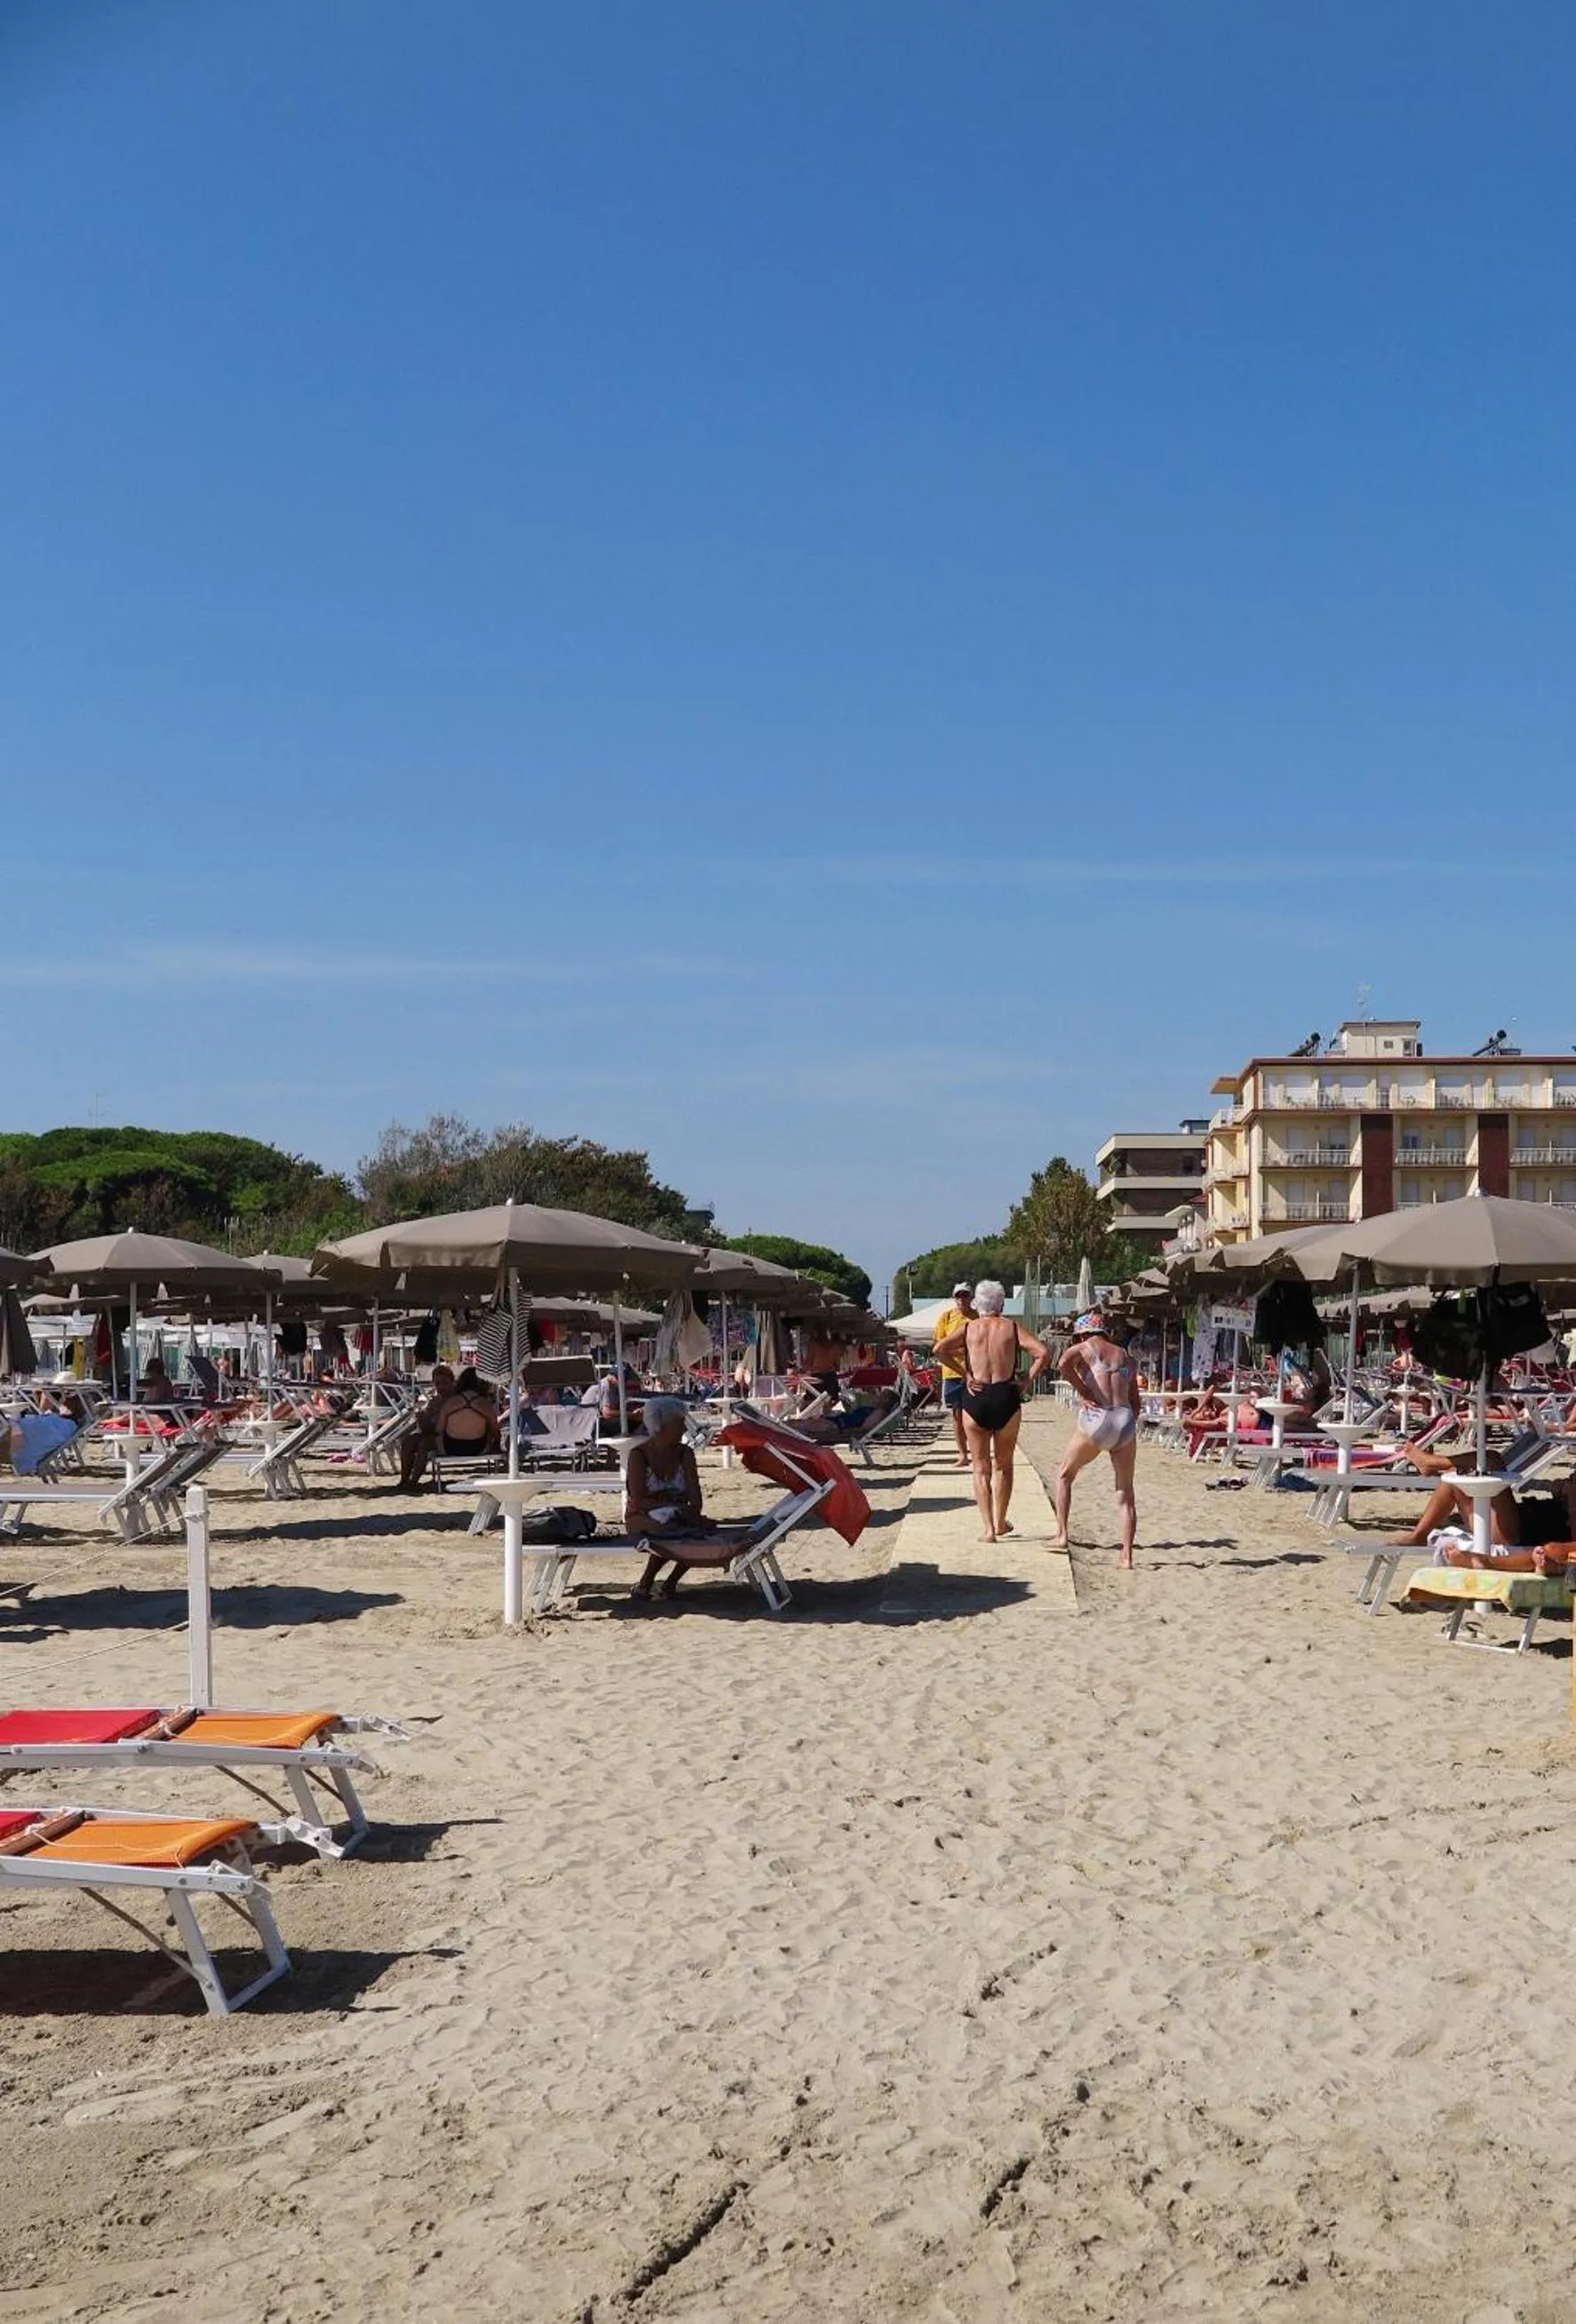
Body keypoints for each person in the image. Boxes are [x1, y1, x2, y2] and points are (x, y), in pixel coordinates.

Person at [934, 1281, 1048, 1544]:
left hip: (975, 1396)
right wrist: (1026, 1380)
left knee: (980, 1468)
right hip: (1005, 1394)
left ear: (977, 1304)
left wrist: (965, 1374)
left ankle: (987, 1530)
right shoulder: (1011, 1327)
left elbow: (939, 1350)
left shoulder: (967, 1328)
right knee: (1004, 1465)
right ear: (1002, 1304)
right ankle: (1000, 1522)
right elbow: (1043, 1353)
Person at [1055, 1309, 1141, 1568]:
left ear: (1083, 1332)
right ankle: (1126, 1556)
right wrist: (1127, 1424)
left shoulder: (1085, 1346)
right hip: (1124, 1419)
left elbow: (1061, 1364)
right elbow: (1135, 1400)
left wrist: (1082, 1391)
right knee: (1125, 1493)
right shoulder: (1126, 1356)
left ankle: (1061, 1535)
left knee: (1064, 1475)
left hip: (1098, 1417)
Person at [625, 1397, 718, 1600]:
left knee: (693, 1531)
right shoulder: (639, 1455)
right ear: (661, 1426)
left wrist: (688, 1511)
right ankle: (648, 1582)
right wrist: (675, 1506)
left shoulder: (685, 1454)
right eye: (679, 1423)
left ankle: (669, 1582)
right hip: (641, 1517)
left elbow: (696, 1498)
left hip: (675, 1515)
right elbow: (638, 1501)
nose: (684, 1428)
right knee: (672, 1531)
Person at [932, 1282, 977, 1468]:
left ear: (972, 1297)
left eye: (965, 1295)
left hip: (975, 1372)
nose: (961, 1299)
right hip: (952, 1372)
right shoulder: (947, 1317)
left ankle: (976, 1451)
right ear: (954, 1298)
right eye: (958, 1296)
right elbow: (938, 1344)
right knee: (957, 1415)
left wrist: (956, 1347)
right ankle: (962, 1454)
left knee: (974, 1415)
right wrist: (958, 1348)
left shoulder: (978, 1317)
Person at [400, 1364, 457, 1489]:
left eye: (444, 1383)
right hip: (436, 1434)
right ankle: (404, 1480)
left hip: (453, 1437)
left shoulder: (458, 1399)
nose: (441, 1386)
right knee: (408, 1441)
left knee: (424, 1443)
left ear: (452, 1381)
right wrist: (422, 1418)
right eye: (437, 1384)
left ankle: (413, 1482)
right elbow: (426, 1429)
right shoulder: (435, 1400)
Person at [430, 1366, 499, 1458]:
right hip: (479, 1448)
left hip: (450, 1448)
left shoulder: (450, 1403)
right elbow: (495, 1430)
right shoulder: (485, 1405)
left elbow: (439, 1429)